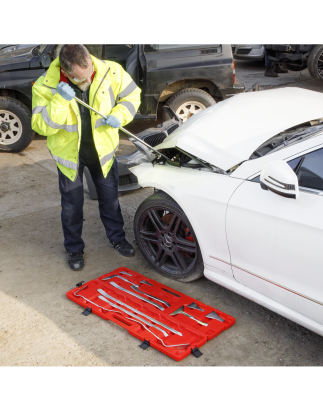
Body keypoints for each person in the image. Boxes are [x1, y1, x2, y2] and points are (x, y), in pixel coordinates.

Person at [32, 44, 141, 271]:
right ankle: (74, 249)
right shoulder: (45, 86)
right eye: (82, 78)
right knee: (72, 206)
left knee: (110, 199)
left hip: (102, 152)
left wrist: (119, 115)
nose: (90, 78)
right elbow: (41, 126)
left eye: (90, 71)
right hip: (70, 156)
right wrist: (60, 100)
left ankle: (117, 238)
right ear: (67, 73)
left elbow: (132, 95)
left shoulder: (109, 70)